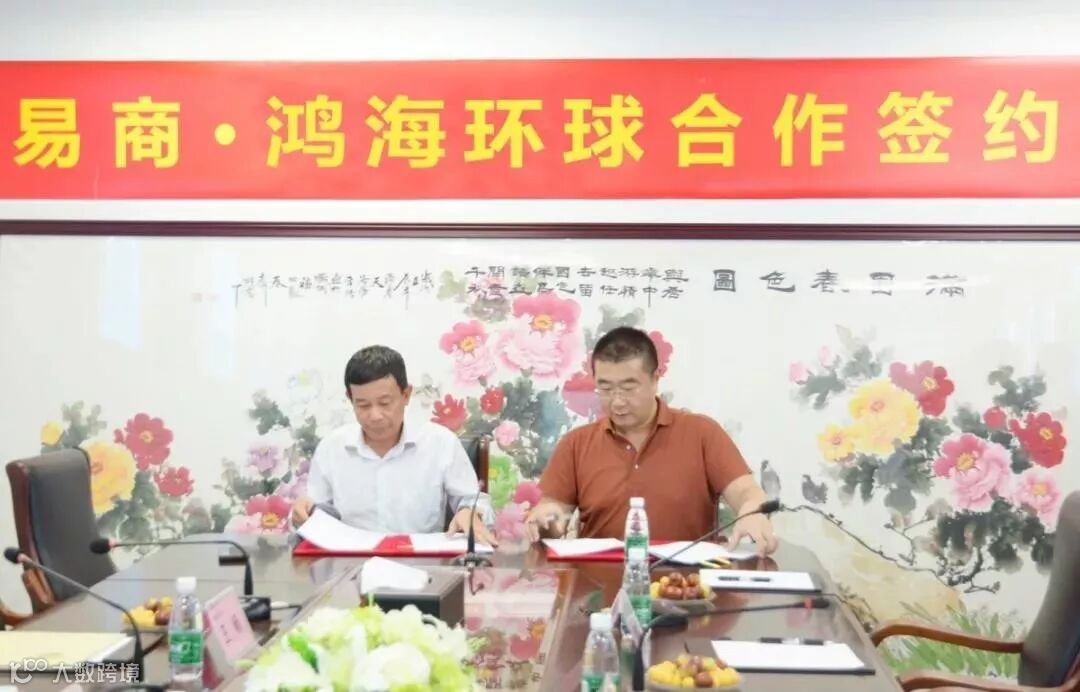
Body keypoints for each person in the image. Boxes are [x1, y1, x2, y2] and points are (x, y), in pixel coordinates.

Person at [526, 326, 777, 556]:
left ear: (655, 379)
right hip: (597, 582)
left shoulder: (702, 433)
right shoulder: (577, 444)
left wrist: (752, 511)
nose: (617, 401)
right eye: (606, 388)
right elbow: (553, 515)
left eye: (628, 388)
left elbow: (747, 492)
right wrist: (546, 521)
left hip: (686, 584)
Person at [290, 345, 496, 546]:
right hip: (350, 562)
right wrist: (306, 513)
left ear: (406, 395)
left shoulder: (441, 443)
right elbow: (321, 515)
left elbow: (476, 504)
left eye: (385, 403)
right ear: (350, 399)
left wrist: (470, 512)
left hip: (422, 562)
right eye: (363, 405)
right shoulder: (331, 448)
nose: (375, 416)